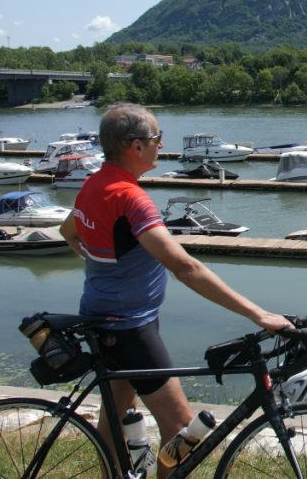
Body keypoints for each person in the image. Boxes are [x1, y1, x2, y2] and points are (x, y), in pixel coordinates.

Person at [59, 103, 292, 475]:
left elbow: (68, 233)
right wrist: (258, 313)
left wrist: (103, 270)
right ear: (135, 146)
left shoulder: (94, 184)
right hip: (129, 327)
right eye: (156, 138)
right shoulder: (130, 198)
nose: (161, 145)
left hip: (101, 316)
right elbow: (186, 267)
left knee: (111, 428)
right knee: (183, 429)